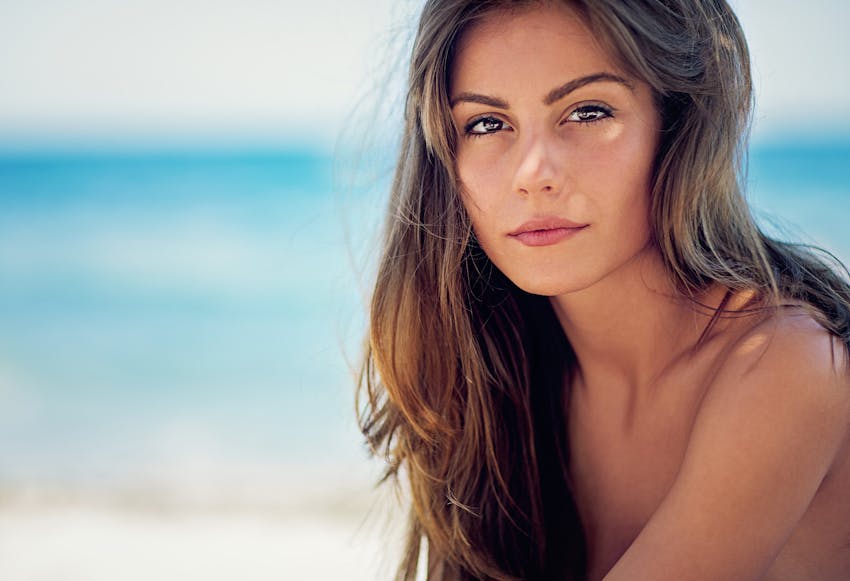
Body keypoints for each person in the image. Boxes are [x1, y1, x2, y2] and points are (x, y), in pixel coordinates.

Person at [357, 1, 850, 579]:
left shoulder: (788, 365)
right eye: (487, 124)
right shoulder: (497, 371)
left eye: (587, 112)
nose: (533, 172)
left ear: (677, 127)